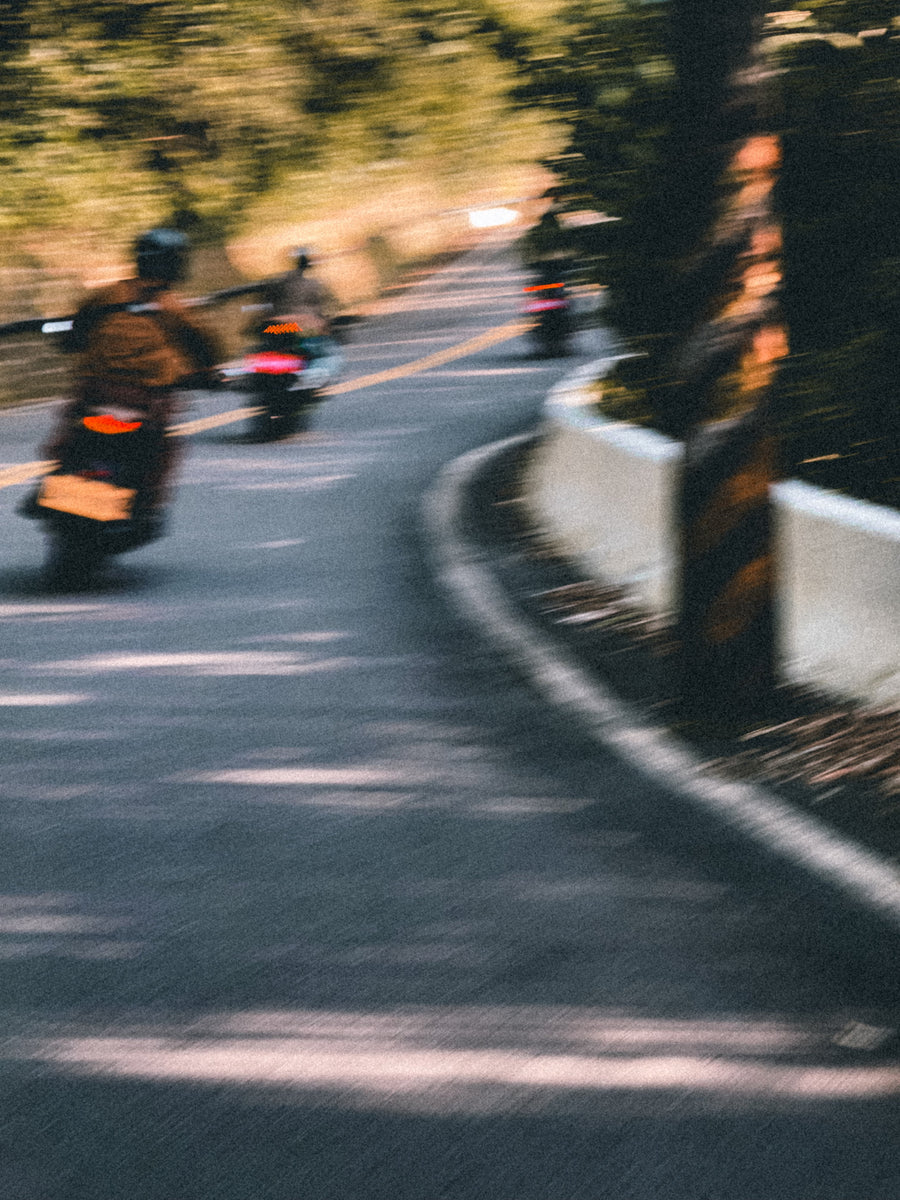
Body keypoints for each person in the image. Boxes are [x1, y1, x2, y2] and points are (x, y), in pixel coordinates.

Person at [39, 227, 223, 518]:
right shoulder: (175, 307)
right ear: (177, 264)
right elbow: (205, 346)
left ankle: (52, 481)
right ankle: (146, 504)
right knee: (161, 445)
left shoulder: (106, 295)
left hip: (95, 388)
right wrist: (210, 373)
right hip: (144, 397)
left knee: (71, 428)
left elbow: (74, 331)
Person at [259, 247, 339, 334]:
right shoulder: (314, 284)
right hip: (302, 328)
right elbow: (327, 306)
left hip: (279, 329)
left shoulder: (280, 280)